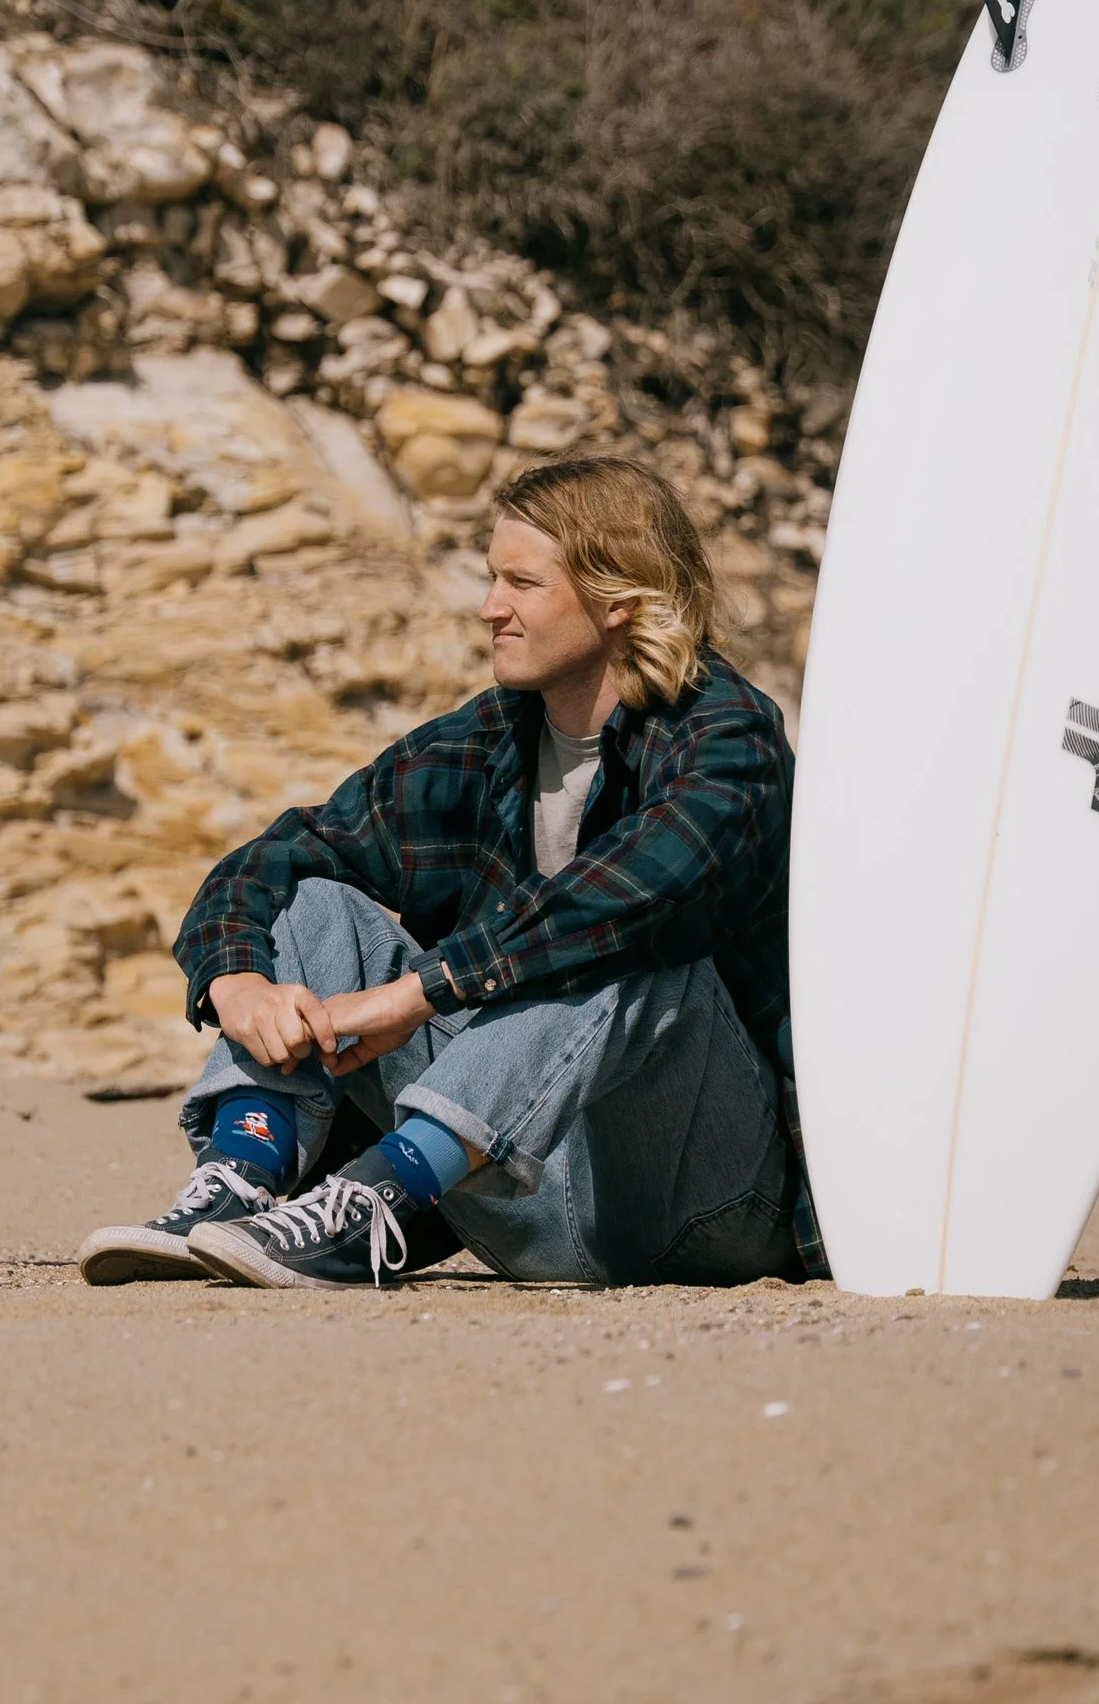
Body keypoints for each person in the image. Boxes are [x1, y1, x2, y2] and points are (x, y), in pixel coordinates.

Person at [78, 450, 814, 1294]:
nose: (488, 607)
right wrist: (235, 979)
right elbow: (279, 858)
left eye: (522, 584)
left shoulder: (726, 734)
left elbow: (643, 890)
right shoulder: (488, 738)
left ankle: (375, 1201)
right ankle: (244, 1175)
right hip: (520, 1192)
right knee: (317, 903)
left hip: (705, 1207)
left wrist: (417, 992)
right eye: (490, 579)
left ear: (620, 597)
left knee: (631, 940)